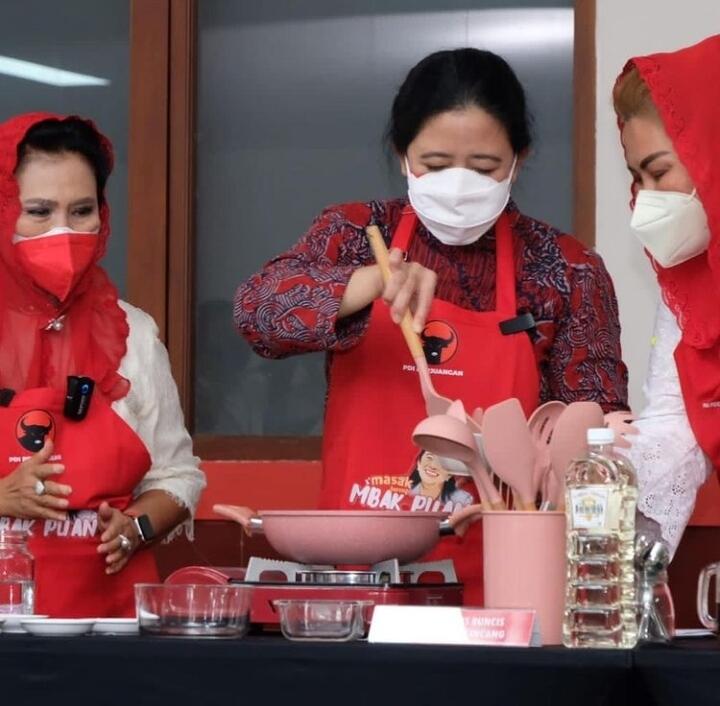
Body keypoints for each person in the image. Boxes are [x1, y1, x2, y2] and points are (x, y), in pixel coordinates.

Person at [228, 48, 628, 604]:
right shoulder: (351, 232)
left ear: (520, 158)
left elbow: (594, 431)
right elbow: (257, 316)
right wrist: (367, 283)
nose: (459, 184)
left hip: (509, 582)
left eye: (485, 167)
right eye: (436, 165)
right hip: (362, 575)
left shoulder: (566, 268)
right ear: (402, 155)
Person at [0, 112, 206, 617]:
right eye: (40, 211)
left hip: (108, 634)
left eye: (82, 210)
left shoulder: (133, 332)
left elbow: (177, 476)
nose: (63, 231)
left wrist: (135, 526)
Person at [611, 35, 720, 557]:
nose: (646, 198)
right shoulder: (688, 284)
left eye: (660, 171)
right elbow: (674, 427)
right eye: (638, 178)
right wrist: (596, 493)